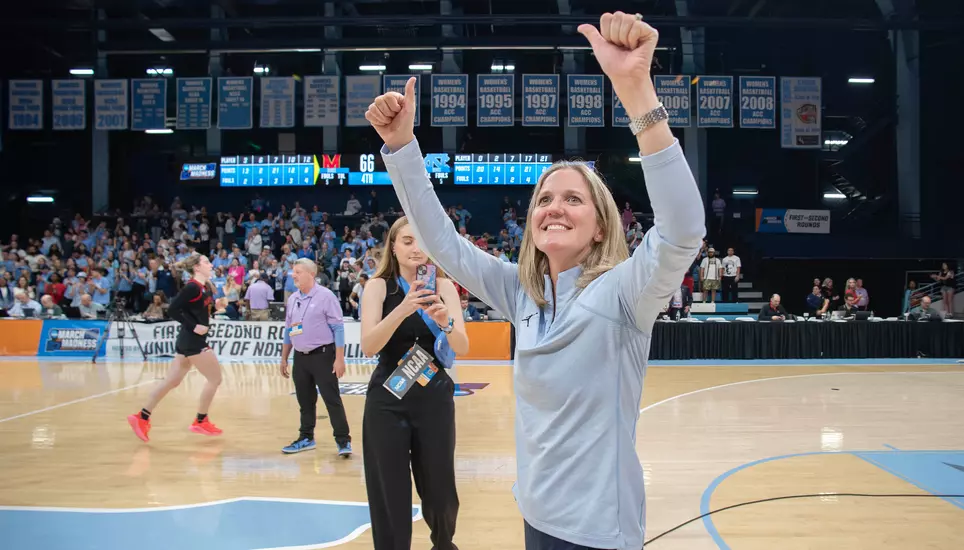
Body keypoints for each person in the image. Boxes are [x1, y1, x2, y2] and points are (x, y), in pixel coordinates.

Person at [366, 11, 704, 549]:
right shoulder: (523, 293)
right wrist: (403, 148)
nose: (554, 207)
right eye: (544, 199)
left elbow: (684, 229)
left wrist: (636, 91)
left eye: (574, 198)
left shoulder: (622, 293)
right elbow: (444, 245)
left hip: (598, 532)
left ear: (600, 227)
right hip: (535, 516)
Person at [358, 217, 469, 550]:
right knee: (389, 488)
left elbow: (462, 347)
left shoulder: (445, 287)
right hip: (387, 398)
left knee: (440, 488)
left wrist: (445, 321)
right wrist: (403, 309)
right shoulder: (378, 286)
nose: (415, 249)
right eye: (407, 241)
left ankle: (444, 543)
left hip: (433, 395)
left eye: (421, 241)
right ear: (393, 246)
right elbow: (369, 345)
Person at [127, 253, 223, 442]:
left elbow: (196, 309)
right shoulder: (192, 287)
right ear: (196, 267)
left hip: (186, 341)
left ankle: (142, 416)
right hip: (193, 341)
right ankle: (200, 420)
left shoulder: (204, 287)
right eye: (206, 262)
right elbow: (171, 310)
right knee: (215, 379)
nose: (211, 265)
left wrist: (217, 305)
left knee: (171, 381)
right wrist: (194, 326)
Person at [279, 258, 352, 457]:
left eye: (298, 272)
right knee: (305, 401)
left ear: (311, 274)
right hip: (300, 358)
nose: (293, 275)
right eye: (293, 272)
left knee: (331, 399)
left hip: (323, 356)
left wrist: (339, 358)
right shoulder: (293, 299)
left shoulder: (326, 296)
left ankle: (343, 440)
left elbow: (338, 328)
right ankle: (306, 438)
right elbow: (288, 330)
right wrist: (284, 357)